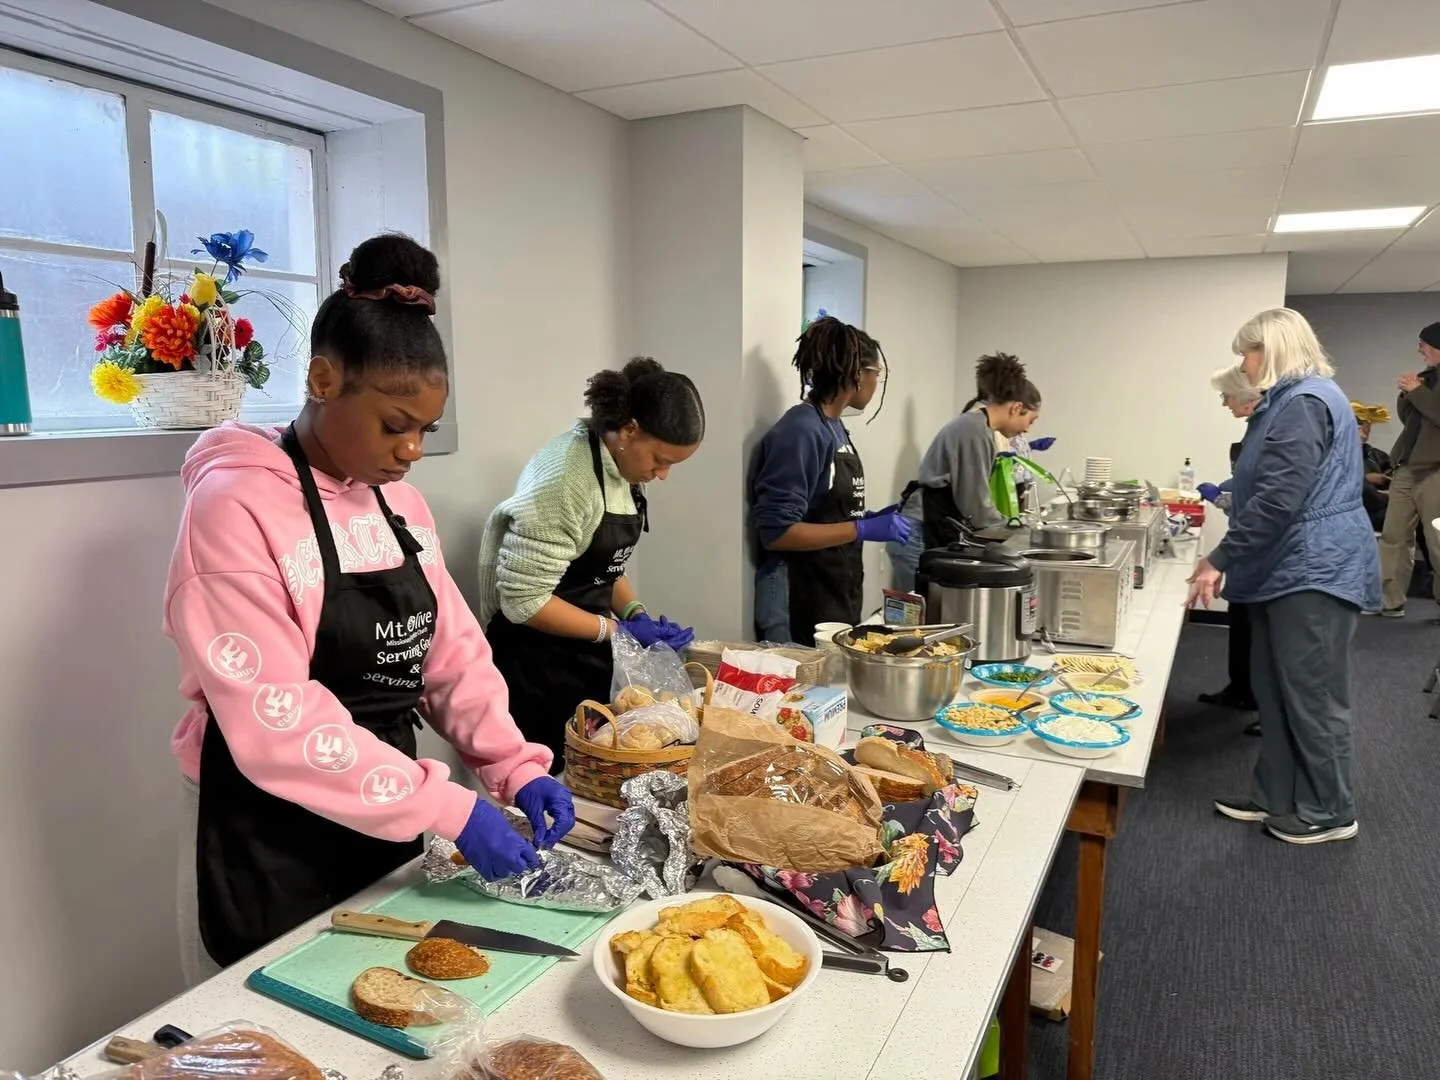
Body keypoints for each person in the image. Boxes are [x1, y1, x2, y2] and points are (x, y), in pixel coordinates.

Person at [164, 234, 574, 984]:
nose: (412, 449)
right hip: (265, 826)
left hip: (388, 802)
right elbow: (276, 717)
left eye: (425, 430)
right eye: (395, 425)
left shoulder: (400, 506)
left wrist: (511, 766)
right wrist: (449, 808)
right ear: (324, 379)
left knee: (380, 997)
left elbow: (450, 654)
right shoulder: (234, 506)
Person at [1189, 308, 1378, 846]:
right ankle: (1276, 792)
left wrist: (1219, 558)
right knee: (1274, 691)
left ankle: (1328, 809)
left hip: (1314, 569)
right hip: (1287, 566)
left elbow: (1279, 499)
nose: (1242, 366)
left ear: (1271, 349)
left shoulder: (1305, 402)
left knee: (1313, 696)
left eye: (1246, 353)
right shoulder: (1284, 404)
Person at [479, 358, 705, 762]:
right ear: (630, 430)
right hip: (534, 665)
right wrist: (616, 632)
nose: (664, 474)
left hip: (583, 653)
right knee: (553, 780)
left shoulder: (622, 464)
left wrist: (636, 612)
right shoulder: (566, 478)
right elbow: (524, 602)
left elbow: (601, 565)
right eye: (661, 459)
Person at [749, 315, 907, 644]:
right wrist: (860, 529)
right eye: (877, 373)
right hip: (799, 604)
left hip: (835, 593)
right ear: (856, 374)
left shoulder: (833, 426)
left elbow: (823, 506)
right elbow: (777, 533)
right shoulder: (802, 430)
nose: (877, 383)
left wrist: (868, 518)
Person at [904, 353, 1042, 552]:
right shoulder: (974, 430)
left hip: (932, 525)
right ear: (1017, 407)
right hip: (917, 533)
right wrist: (1020, 532)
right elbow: (977, 508)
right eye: (1031, 420)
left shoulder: (979, 427)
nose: (1028, 429)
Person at [1195, 366, 1262, 731]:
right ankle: (1240, 690)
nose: (1223, 403)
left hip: (1266, 554)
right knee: (1241, 624)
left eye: (1227, 396)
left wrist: (1226, 497)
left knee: (1263, 636)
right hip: (1245, 550)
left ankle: (1272, 713)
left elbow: (1265, 502)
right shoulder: (1255, 431)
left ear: (1249, 396)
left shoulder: (1277, 431)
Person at [1377, 322, 1440, 617]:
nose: (1419, 350)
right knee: (1393, 536)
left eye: (1423, 344)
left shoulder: (1423, 385)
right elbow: (1411, 420)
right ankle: (1390, 602)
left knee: (1438, 541)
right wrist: (1408, 394)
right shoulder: (1426, 379)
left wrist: (1417, 392)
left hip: (1436, 471)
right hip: (1406, 468)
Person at [1353, 402, 1393, 533]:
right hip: (1363, 512)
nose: (1364, 435)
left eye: (1367, 431)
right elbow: (1363, 491)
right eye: (1360, 430)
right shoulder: (1338, 457)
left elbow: (1392, 470)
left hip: (1382, 505)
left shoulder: (1374, 454)